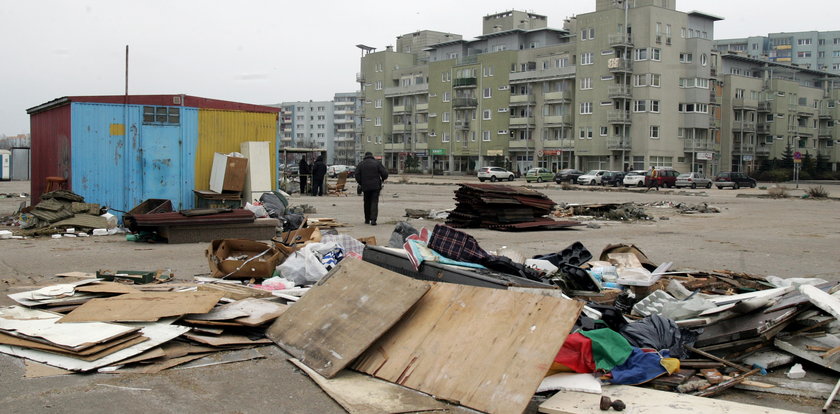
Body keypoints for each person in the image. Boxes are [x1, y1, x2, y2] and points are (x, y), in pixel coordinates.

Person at [355, 152, 389, 225]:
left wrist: (361, 182)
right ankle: (373, 220)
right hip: (375, 186)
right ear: (372, 156)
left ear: (365, 156)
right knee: (374, 202)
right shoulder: (377, 163)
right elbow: (385, 173)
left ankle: (367, 219)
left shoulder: (361, 164)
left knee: (366, 202)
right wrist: (382, 179)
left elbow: (357, 175)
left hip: (365, 187)